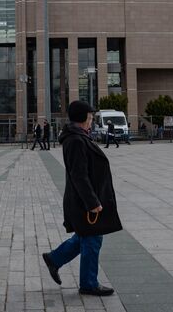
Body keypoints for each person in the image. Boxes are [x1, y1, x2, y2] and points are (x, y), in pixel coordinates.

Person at [42, 100, 122, 297]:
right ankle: (88, 283)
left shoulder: (78, 137)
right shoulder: (76, 140)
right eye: (91, 116)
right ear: (84, 117)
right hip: (83, 202)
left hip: (83, 199)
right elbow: (79, 175)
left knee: (86, 237)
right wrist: (92, 203)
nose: (92, 120)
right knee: (92, 239)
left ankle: (54, 258)